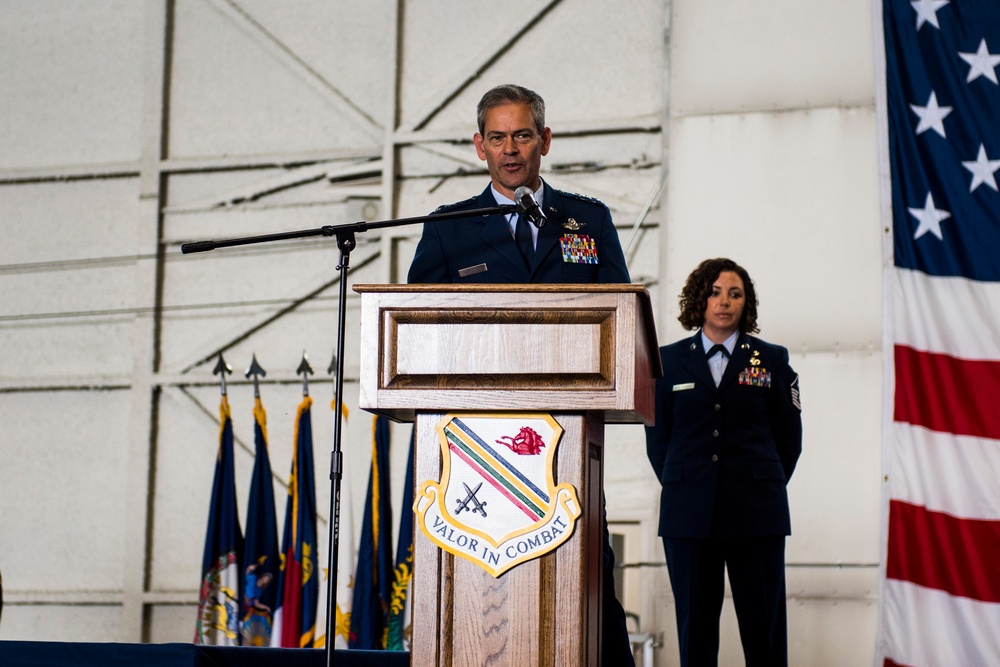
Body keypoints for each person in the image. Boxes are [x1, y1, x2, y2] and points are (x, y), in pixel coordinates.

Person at [408, 83, 635, 666]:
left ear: (546, 141)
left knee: (587, 580)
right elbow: (415, 328)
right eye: (499, 137)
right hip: (475, 451)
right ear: (479, 146)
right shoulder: (448, 227)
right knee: (477, 583)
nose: (512, 149)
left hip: (565, 442)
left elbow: (621, 319)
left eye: (524, 135)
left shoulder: (588, 219)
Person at [644, 258, 802, 667]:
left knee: (764, 635)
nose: (724, 302)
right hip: (689, 515)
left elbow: (789, 441)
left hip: (756, 513)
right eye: (714, 292)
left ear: (745, 303)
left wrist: (759, 484)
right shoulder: (667, 362)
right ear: (699, 299)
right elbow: (658, 443)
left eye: (734, 294)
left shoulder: (772, 360)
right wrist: (687, 484)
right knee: (695, 636)